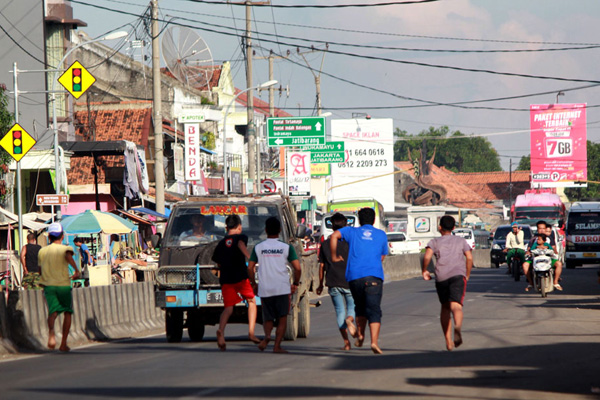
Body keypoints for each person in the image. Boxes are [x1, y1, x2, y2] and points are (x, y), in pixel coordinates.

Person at [330, 207, 388, 355]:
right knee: (374, 310)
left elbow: (334, 236)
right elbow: (382, 256)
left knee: (360, 308)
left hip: (354, 277)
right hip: (374, 276)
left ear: (359, 220)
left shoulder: (351, 231)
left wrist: (335, 256)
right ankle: (374, 342)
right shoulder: (381, 235)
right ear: (374, 220)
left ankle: (360, 336)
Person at [248, 217, 301, 354]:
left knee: (268, 317)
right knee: (282, 317)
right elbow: (298, 268)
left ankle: (267, 337)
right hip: (282, 288)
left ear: (265, 230)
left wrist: (254, 284)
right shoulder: (286, 247)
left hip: (265, 288)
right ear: (279, 230)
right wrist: (295, 283)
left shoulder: (258, 247)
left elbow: (250, 268)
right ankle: (277, 346)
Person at [422, 215, 473, 351]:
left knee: (445, 307)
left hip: (441, 277)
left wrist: (424, 270)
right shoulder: (461, 241)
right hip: (458, 275)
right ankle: (457, 327)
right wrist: (467, 274)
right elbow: (469, 257)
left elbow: (426, 256)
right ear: (454, 228)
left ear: (440, 227)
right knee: (456, 306)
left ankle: (448, 341)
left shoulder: (434, 241)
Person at [211, 214, 260, 351]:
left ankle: (221, 330)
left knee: (228, 308)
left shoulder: (220, 244)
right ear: (239, 227)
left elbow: (218, 262)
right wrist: (249, 257)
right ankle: (251, 332)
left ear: (226, 228)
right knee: (251, 301)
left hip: (226, 279)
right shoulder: (241, 237)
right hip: (240, 277)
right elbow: (240, 245)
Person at [316, 212, 357, 351]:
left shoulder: (325, 245)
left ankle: (346, 342)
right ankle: (350, 320)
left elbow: (321, 266)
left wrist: (320, 284)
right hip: (349, 281)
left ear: (332, 226)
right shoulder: (351, 243)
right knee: (352, 308)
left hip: (332, 281)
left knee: (340, 311)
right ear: (346, 226)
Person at [38, 222, 79, 352]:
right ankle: (63, 343)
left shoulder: (42, 251)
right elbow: (68, 257)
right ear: (62, 236)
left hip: (48, 286)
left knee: (53, 312)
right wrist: (77, 271)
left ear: (49, 237)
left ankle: (51, 334)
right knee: (67, 312)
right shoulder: (65, 249)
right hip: (63, 285)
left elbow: (40, 269)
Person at [523, 220, 563, 291]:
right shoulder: (533, 239)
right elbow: (529, 249)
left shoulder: (549, 239)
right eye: (540, 228)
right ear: (537, 229)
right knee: (525, 265)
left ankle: (556, 282)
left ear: (545, 229)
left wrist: (554, 252)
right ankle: (531, 283)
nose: (541, 230)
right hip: (535, 259)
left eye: (543, 228)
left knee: (559, 264)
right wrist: (528, 252)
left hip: (548, 259)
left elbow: (554, 249)